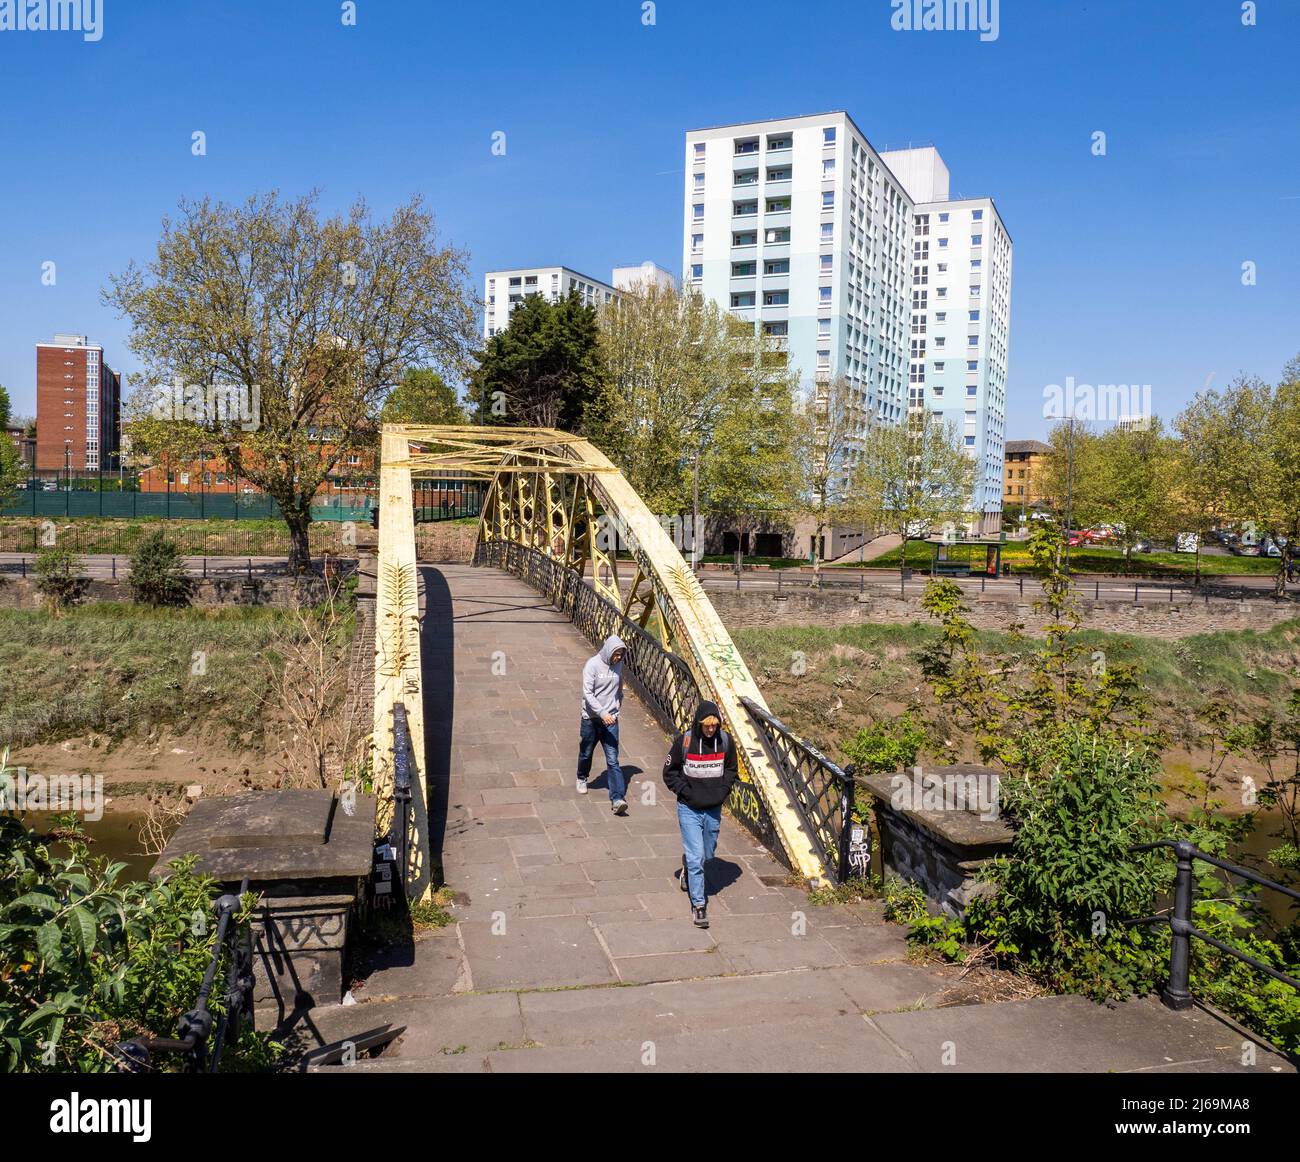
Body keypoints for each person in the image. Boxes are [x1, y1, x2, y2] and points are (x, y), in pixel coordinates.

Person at [662, 700, 738, 928]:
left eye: (714, 726)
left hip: (713, 809)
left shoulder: (725, 742)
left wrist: (722, 791)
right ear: (699, 723)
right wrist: (686, 792)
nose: (710, 730)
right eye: (706, 726)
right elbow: (669, 772)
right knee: (697, 858)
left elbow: (732, 769)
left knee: (706, 854)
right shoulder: (684, 742)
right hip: (689, 809)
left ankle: (688, 869)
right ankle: (698, 905)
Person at [577, 635, 628, 813]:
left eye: (621, 654)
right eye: (616, 654)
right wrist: (602, 712)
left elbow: (619, 680)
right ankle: (582, 777)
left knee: (613, 760)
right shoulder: (592, 665)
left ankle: (617, 798)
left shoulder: (618, 664)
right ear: (608, 651)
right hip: (591, 718)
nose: (619, 658)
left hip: (611, 719)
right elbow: (587, 694)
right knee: (586, 752)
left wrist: (619, 698)